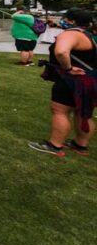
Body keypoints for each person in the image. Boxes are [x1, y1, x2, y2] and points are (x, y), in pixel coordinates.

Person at [29, 8, 96, 156]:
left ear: (72, 20)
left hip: (72, 80)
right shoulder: (91, 36)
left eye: (65, 18)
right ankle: (80, 145)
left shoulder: (72, 34)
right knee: (84, 113)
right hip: (90, 80)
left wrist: (68, 68)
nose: (63, 20)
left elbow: (61, 51)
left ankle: (55, 145)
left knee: (60, 111)